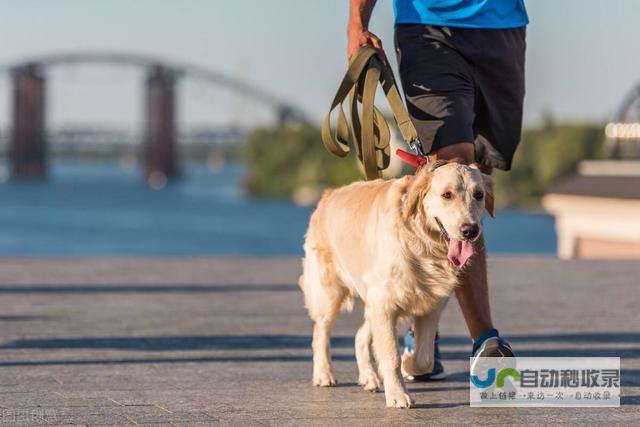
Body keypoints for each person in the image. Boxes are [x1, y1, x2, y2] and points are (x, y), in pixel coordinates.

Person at [347, 0, 527, 380]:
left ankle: (425, 319)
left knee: (478, 175)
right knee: (453, 171)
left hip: (502, 27)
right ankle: (485, 344)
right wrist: (357, 22)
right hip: (427, 28)